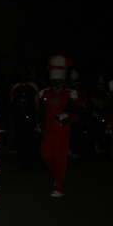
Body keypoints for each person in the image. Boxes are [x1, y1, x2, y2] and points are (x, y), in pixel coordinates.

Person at [38, 54, 82, 197]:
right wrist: (39, 124)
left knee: (60, 158)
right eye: (54, 79)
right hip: (49, 130)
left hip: (62, 130)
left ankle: (59, 186)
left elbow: (78, 114)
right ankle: (56, 178)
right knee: (45, 155)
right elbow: (41, 112)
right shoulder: (45, 93)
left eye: (58, 79)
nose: (56, 82)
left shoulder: (69, 94)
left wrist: (65, 117)